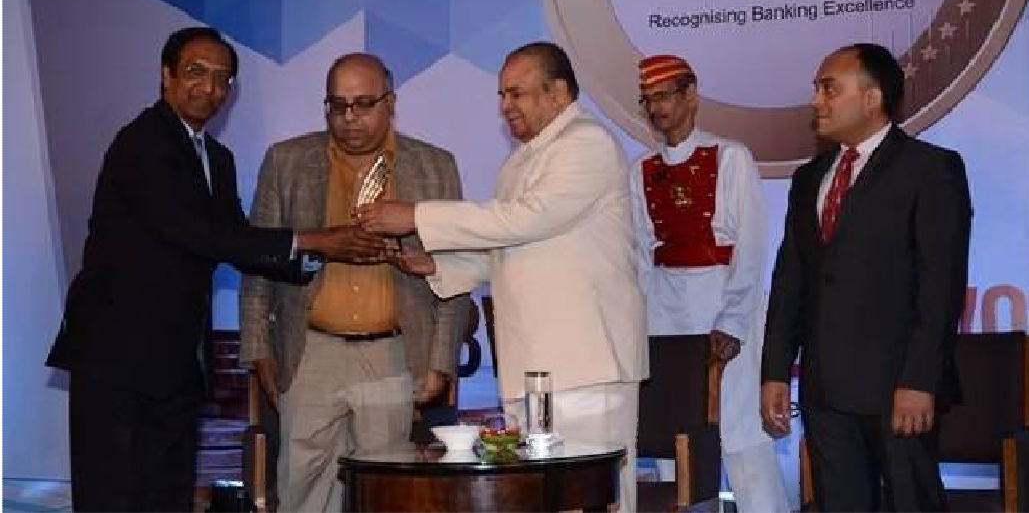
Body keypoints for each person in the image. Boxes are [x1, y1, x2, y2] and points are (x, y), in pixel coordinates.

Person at [45, 27, 392, 512]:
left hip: (174, 363)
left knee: (168, 496)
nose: (209, 88)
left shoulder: (217, 158)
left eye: (222, 79)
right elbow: (201, 234)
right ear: (166, 75)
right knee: (114, 497)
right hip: (116, 359)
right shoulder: (141, 143)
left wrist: (331, 257)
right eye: (196, 72)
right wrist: (318, 238)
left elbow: (242, 244)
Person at [357, 41, 648, 512]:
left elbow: (527, 219)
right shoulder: (519, 162)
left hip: (587, 366)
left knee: (593, 500)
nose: (505, 105)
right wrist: (438, 264)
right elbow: (511, 249)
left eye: (517, 93)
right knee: (538, 501)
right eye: (501, 95)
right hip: (530, 369)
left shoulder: (588, 143)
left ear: (558, 93)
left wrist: (417, 215)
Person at [238, 52, 471, 512]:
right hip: (309, 350)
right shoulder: (286, 161)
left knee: (387, 492)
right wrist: (259, 349)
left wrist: (441, 360)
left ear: (391, 103)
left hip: (394, 353)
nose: (349, 118)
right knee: (304, 491)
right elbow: (258, 260)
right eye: (337, 105)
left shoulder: (434, 166)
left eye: (363, 104)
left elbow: (455, 270)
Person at [760, 43, 972, 511]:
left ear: (872, 98)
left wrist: (920, 380)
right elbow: (791, 279)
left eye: (829, 89)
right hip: (824, 389)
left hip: (898, 389)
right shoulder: (809, 178)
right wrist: (775, 370)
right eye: (817, 89)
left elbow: (940, 287)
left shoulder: (930, 169)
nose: (816, 101)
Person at [630, 54, 790, 512]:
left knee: (742, 435)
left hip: (724, 306)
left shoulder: (731, 157)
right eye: (648, 100)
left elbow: (751, 246)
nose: (656, 108)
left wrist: (733, 321)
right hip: (664, 316)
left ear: (691, 95)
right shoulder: (640, 169)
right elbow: (639, 255)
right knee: (675, 437)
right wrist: (641, 326)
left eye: (664, 96)